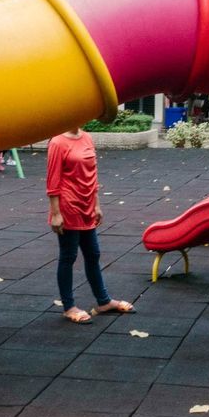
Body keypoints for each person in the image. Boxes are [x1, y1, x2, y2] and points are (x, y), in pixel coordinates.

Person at [45, 125, 134, 324]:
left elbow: (92, 175)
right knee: (68, 256)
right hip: (68, 206)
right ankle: (68, 307)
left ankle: (103, 301)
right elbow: (53, 180)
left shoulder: (86, 138)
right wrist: (56, 213)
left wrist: (97, 205)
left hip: (86, 204)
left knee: (93, 254)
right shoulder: (58, 142)